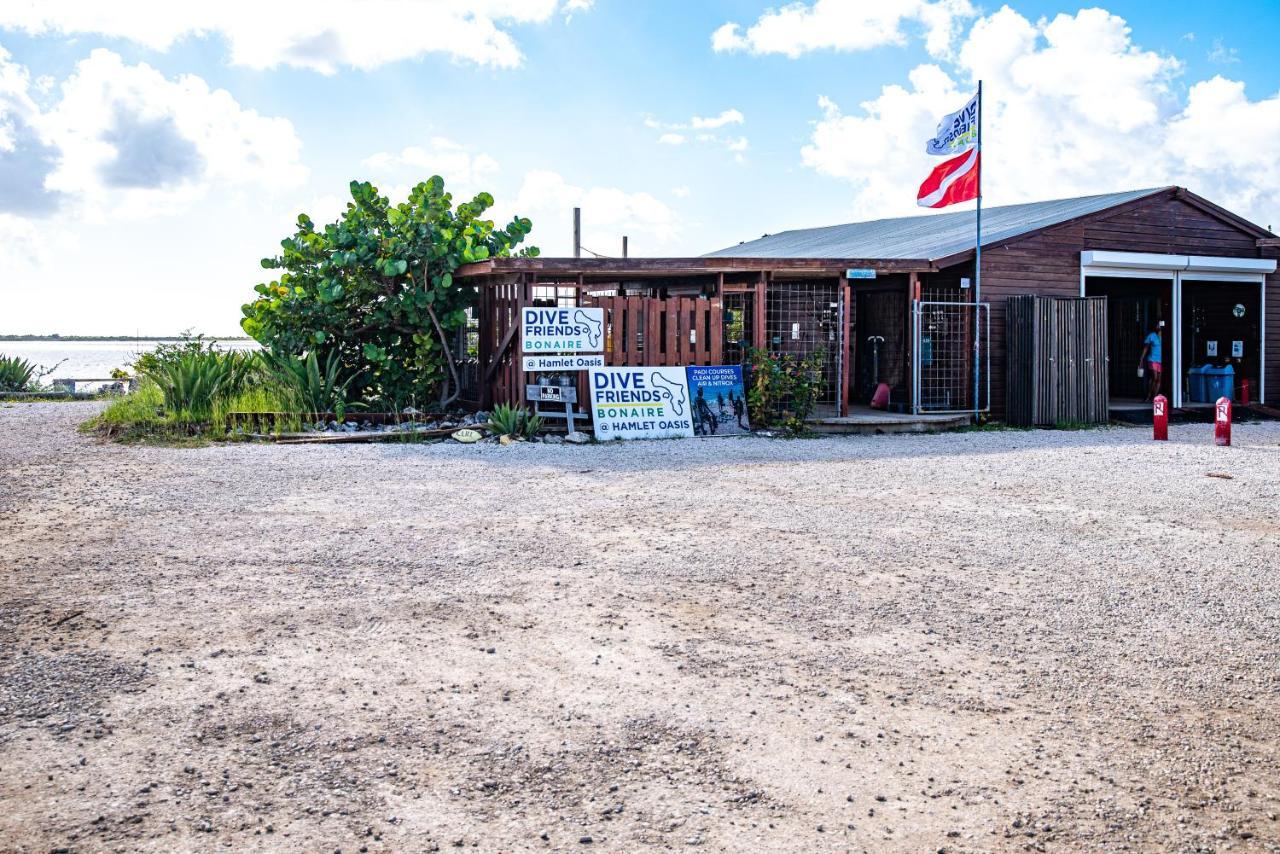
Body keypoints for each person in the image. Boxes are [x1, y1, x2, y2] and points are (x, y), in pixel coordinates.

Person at [1138, 321, 1163, 401]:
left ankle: (1154, 397)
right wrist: (1141, 358)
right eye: (1158, 324)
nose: (1159, 326)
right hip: (1152, 359)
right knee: (1154, 377)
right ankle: (1148, 395)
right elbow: (1146, 348)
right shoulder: (1151, 336)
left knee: (1159, 379)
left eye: (1160, 324)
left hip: (1161, 360)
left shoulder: (1165, 336)